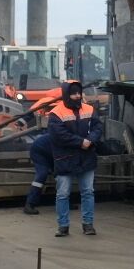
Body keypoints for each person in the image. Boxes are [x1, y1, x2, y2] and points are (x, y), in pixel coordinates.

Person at [48, 80, 102, 237]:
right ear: (66, 94)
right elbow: (58, 136)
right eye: (73, 93)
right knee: (63, 193)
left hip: (85, 157)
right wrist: (82, 142)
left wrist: (90, 140)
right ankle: (63, 226)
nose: (77, 96)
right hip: (66, 158)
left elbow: (98, 127)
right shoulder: (56, 113)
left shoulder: (89, 109)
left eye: (79, 92)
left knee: (88, 192)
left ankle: (88, 225)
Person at [23, 133, 53, 215]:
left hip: (49, 150)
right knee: (42, 174)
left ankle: (64, 202)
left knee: (62, 175)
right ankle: (29, 204)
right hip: (39, 151)